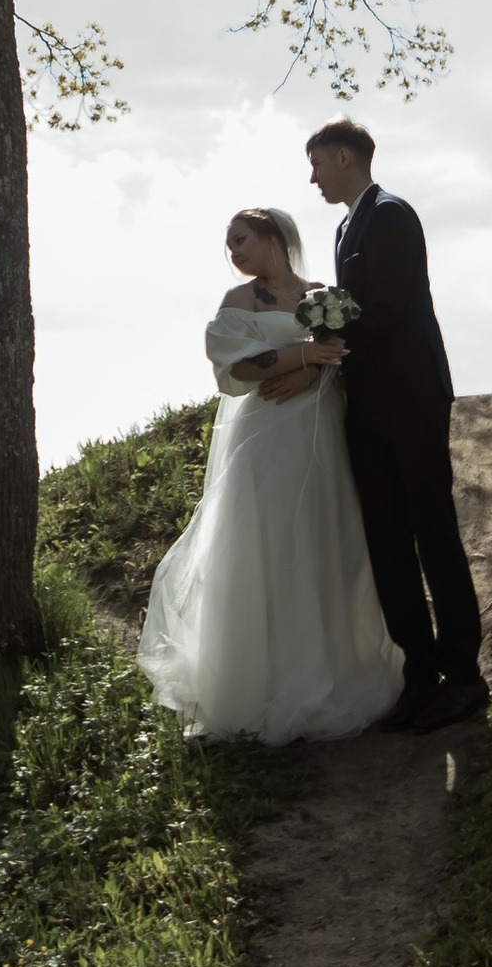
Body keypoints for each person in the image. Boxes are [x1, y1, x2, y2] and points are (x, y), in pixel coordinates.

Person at [135, 205, 405, 743]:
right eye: (229, 246)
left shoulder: (321, 294)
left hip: (323, 426)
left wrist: (309, 371)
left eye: (241, 240)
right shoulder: (236, 304)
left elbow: (345, 355)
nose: (234, 253)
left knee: (324, 538)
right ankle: (263, 683)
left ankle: (331, 671)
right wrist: (306, 355)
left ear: (274, 236)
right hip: (268, 431)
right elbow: (236, 369)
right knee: (269, 542)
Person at [305, 118, 490, 733]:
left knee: (432, 530)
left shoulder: (391, 214)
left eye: (317, 165)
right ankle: (419, 674)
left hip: (411, 396)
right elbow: (357, 306)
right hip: (367, 404)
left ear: (343, 156)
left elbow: (384, 307)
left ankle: (463, 674)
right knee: (385, 539)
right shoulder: (343, 227)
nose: (313, 178)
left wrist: (323, 326)